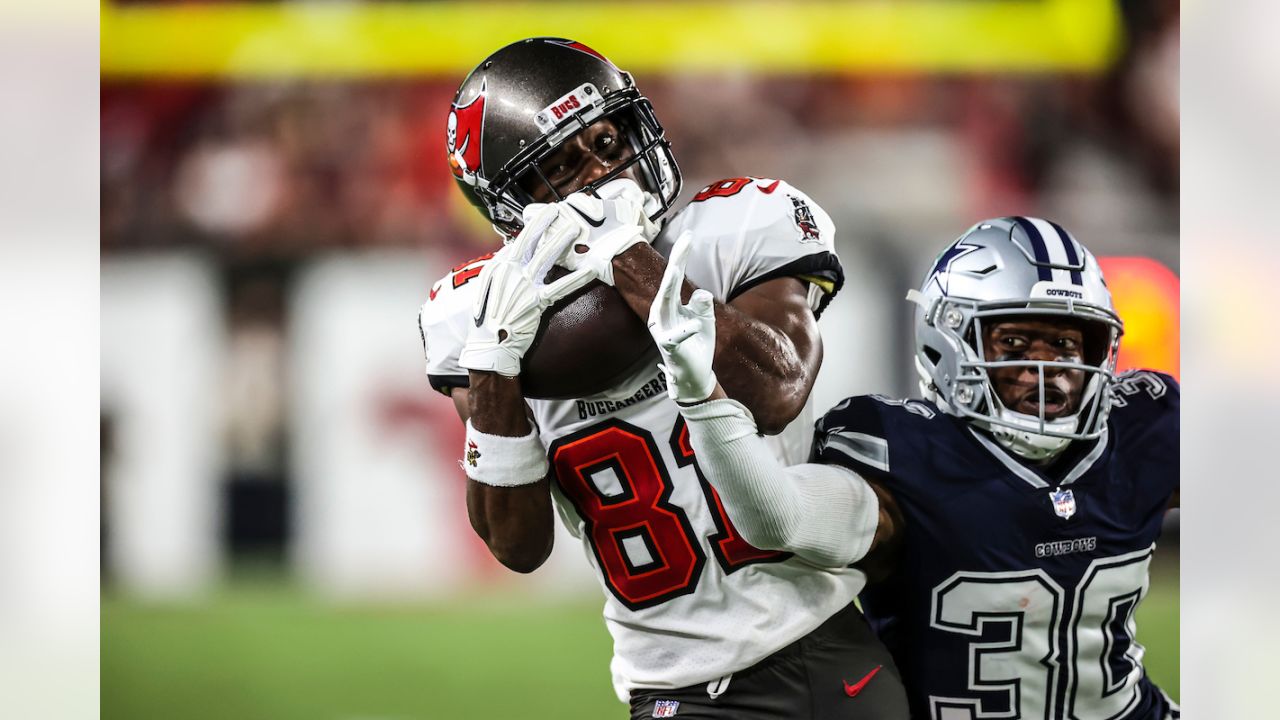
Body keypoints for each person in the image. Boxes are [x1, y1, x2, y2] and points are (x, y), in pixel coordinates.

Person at [419, 38, 909, 718]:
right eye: (562, 166)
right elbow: (516, 545)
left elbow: (777, 390)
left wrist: (637, 266)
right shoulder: (474, 313)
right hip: (671, 690)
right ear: (510, 205)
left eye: (610, 140)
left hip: (825, 652)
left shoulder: (736, 225)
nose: (607, 171)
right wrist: (496, 362)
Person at [651, 216, 1180, 719]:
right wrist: (706, 401)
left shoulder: (1140, 429)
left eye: (1066, 344)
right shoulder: (907, 456)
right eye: (1014, 343)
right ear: (949, 342)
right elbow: (779, 519)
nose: (1045, 371)